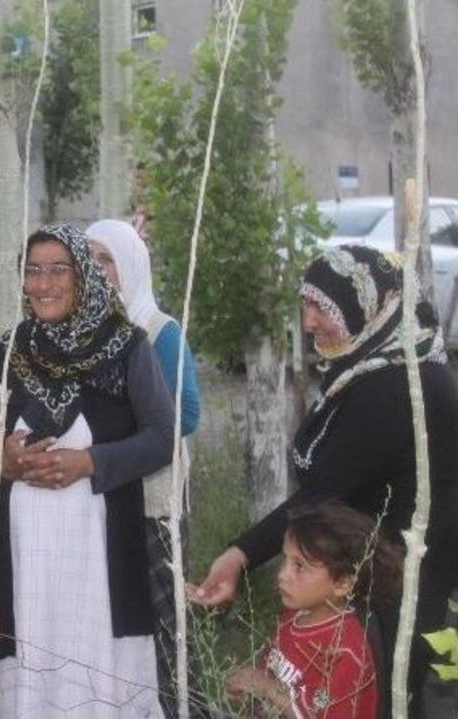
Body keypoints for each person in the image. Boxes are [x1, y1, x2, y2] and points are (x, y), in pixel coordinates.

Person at [193, 245, 458, 713]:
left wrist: (239, 555)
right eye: (306, 304)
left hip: (406, 578)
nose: (310, 321)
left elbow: (324, 490)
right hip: (373, 567)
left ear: (367, 307)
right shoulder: (369, 365)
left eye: (323, 307)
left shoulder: (396, 385)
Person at [0, 222, 175, 717]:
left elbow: (162, 437)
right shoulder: (6, 352)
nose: (44, 283)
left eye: (58, 270)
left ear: (83, 277)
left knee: (99, 678)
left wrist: (90, 462)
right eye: (33, 271)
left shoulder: (127, 347)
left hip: (99, 555)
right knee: (29, 662)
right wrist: (1, 464)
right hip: (23, 557)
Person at [85, 218, 202, 717]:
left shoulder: (158, 331)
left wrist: (115, 437)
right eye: (86, 259)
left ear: (130, 266)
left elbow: (187, 414)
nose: (95, 270)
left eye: (106, 259)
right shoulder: (77, 335)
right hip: (95, 504)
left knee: (166, 633)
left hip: (152, 507)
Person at [226, 502, 402, 718]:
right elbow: (274, 670)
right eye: (285, 560)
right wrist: (252, 691)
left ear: (342, 584)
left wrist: (267, 688)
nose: (282, 575)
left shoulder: (345, 653)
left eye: (300, 567)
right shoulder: (294, 616)